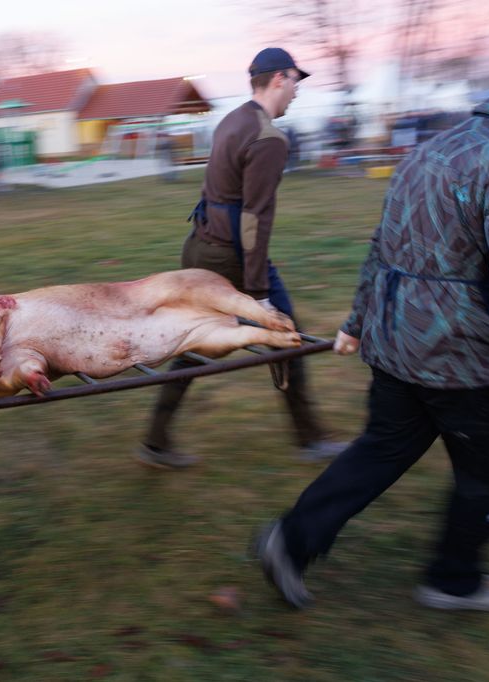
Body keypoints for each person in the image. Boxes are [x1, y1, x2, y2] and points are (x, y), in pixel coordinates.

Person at [257, 45, 489, 612]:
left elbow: (383, 247)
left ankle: (290, 541)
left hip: (397, 346)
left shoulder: (433, 148)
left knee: (380, 449)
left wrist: (359, 322)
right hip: (465, 363)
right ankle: (454, 579)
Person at [137, 48, 344, 469]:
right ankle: (309, 438)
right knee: (287, 337)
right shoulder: (268, 138)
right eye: (295, 83)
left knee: (196, 345)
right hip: (232, 257)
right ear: (279, 79)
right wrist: (260, 293)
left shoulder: (233, 119)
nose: (297, 94)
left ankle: (155, 442)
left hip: (199, 244)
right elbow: (254, 220)